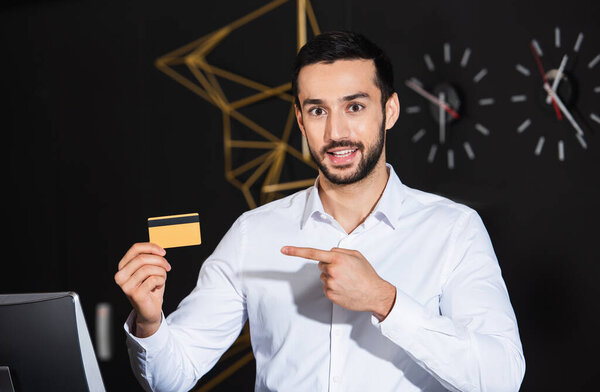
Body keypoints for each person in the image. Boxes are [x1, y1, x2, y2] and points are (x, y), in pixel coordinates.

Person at [115, 31, 525, 392]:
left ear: (391, 111)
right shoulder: (253, 234)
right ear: (299, 118)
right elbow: (173, 377)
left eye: (355, 107)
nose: (335, 132)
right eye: (317, 110)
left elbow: (502, 377)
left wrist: (386, 301)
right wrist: (150, 324)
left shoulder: (453, 229)